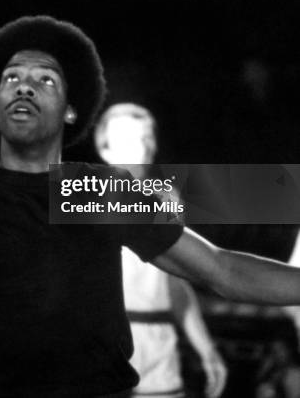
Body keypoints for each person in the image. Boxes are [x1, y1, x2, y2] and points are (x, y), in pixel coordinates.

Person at [0, 15, 300, 397]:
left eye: (44, 80)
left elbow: (219, 269)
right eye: (12, 78)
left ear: (72, 109)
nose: (24, 86)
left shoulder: (97, 193)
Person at [94, 103, 227, 398]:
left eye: (144, 139)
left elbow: (174, 284)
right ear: (106, 149)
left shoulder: (167, 199)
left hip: (159, 349)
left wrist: (206, 349)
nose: (139, 149)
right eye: (128, 140)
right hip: (104, 349)